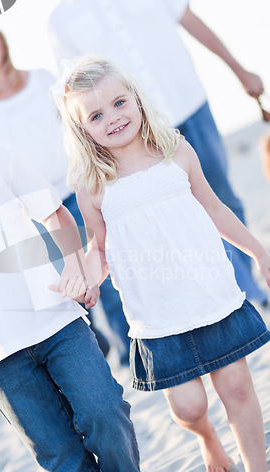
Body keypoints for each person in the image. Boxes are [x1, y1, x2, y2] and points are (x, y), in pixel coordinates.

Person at [51, 54, 270, 472]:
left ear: (136, 98)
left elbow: (214, 209)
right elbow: (101, 247)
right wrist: (86, 278)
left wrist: (259, 252)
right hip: (158, 317)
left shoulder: (175, 150)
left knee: (239, 389)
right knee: (189, 407)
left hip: (212, 297)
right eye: (95, 115)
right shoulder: (93, 185)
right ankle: (207, 436)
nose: (112, 118)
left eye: (119, 103)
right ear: (81, 129)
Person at [0, 90, 158, 472]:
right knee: (58, 456)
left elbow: (56, 214)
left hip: (55, 318)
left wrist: (77, 271)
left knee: (105, 413)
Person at [47, 0, 269, 306]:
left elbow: (191, 21)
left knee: (218, 197)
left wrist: (240, 71)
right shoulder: (61, 19)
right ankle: (234, 290)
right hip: (122, 136)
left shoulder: (180, 149)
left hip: (187, 105)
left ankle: (242, 288)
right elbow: (74, 93)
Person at [0, 20, 130, 365]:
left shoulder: (39, 79)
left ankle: (130, 350)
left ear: (1, 40)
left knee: (103, 271)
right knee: (64, 284)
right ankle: (97, 352)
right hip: (28, 212)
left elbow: (75, 126)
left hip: (72, 189)